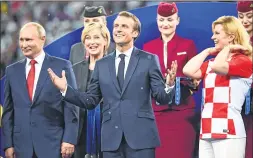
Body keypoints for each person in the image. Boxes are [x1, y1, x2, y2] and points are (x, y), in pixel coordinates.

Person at [48, 11, 177, 158]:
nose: (118, 29)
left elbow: (161, 97)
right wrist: (65, 89)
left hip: (141, 140)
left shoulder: (148, 60)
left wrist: (169, 85)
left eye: (124, 26)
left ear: (135, 32)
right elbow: (90, 100)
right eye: (116, 26)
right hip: (111, 141)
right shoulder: (102, 64)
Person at [2, 22, 79, 158]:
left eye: (29, 40)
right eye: (21, 40)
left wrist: (69, 138)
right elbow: (8, 111)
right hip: (21, 147)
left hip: (54, 145)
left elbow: (71, 105)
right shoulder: (12, 71)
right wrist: (8, 144)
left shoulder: (62, 66)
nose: (24, 45)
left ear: (42, 39)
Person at [183, 16, 252, 158]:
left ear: (231, 36)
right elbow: (188, 70)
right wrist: (208, 51)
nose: (212, 37)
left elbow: (218, 67)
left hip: (229, 131)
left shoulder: (243, 61)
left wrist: (228, 49)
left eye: (217, 33)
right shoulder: (212, 61)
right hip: (207, 130)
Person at [143, 2, 199, 158]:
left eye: (169, 19)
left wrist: (176, 81)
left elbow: (195, 81)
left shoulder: (188, 45)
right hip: (157, 114)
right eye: (161, 20)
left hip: (182, 112)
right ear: (156, 20)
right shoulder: (148, 47)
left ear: (177, 20)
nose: (165, 24)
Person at [72, 23, 110, 158]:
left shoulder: (116, 67)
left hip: (109, 133)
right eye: (88, 38)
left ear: (105, 40)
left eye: (96, 37)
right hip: (80, 135)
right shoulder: (74, 70)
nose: (92, 42)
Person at [237, 1, 253, 158]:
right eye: (241, 17)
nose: (245, 21)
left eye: (249, 16)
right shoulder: (232, 42)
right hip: (236, 104)